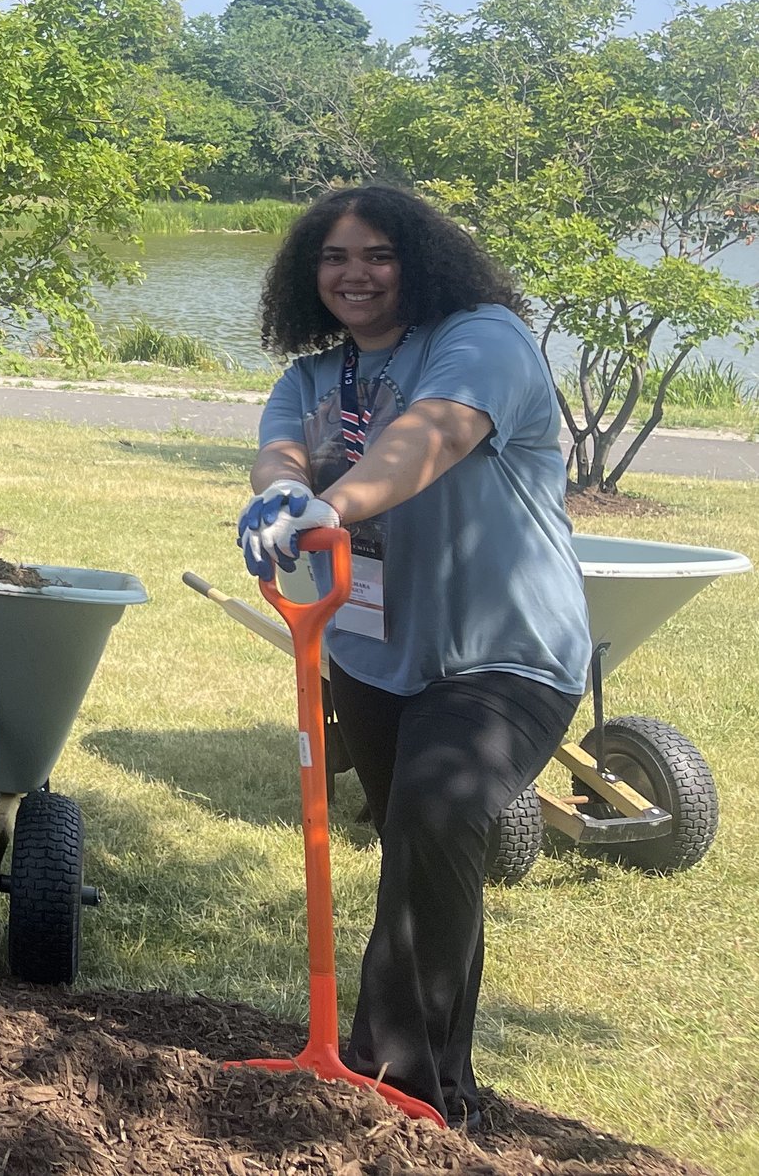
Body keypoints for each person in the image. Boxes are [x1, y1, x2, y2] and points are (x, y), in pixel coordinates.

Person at [239, 183, 589, 1131]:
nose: (355, 273)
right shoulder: (314, 377)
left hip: (503, 651)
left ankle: (391, 1086)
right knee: (420, 853)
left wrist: (336, 505)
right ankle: (445, 1085)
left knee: (435, 811)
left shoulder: (483, 339)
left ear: (421, 259)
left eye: (379, 253)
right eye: (335, 257)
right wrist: (277, 495)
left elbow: (428, 435)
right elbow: (280, 450)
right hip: (371, 649)